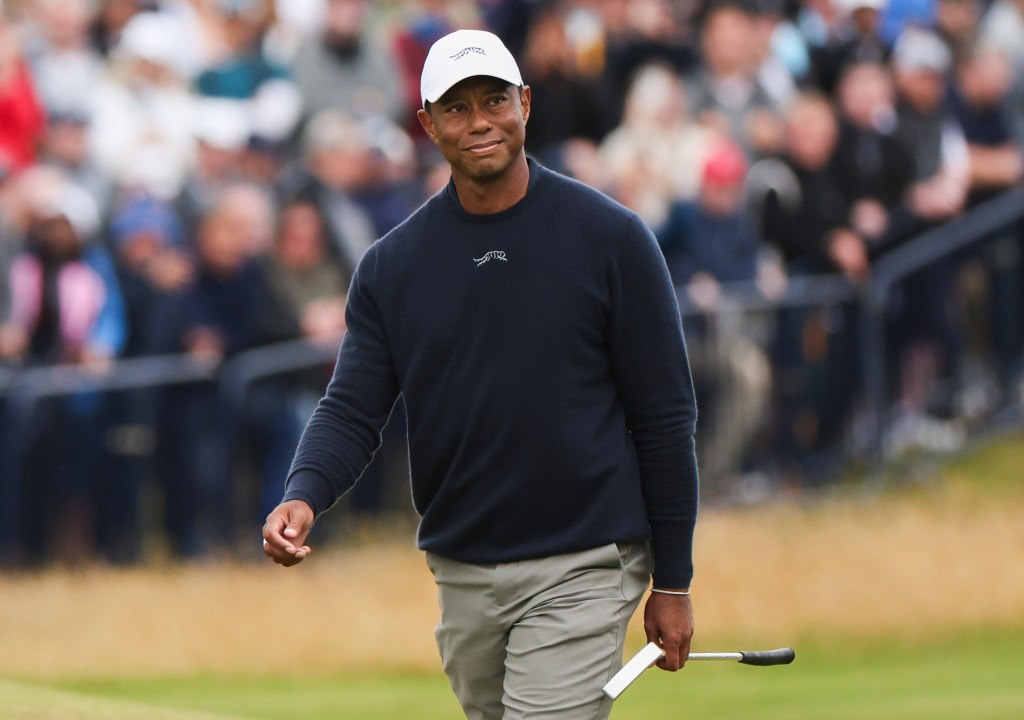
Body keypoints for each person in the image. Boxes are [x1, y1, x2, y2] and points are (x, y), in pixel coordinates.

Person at [263, 28, 699, 720]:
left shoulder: (611, 239)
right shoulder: (392, 267)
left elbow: (665, 416)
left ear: (525, 103)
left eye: (494, 101)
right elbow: (352, 409)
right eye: (457, 108)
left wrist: (672, 579)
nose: (480, 123)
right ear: (427, 124)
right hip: (462, 570)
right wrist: (304, 493)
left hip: (586, 562)